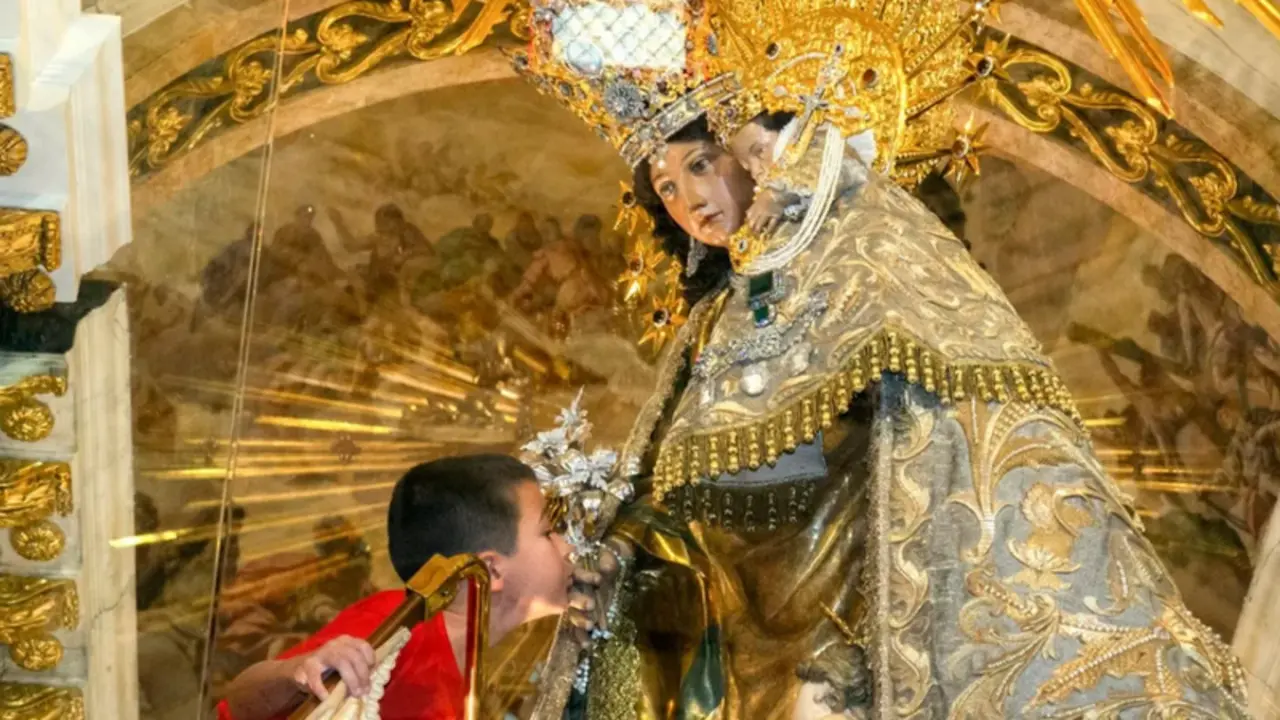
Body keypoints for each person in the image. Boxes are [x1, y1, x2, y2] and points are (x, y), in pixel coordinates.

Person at [516, 0, 1249, 717]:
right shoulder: (707, 327)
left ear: (755, 154)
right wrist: (619, 552)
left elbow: (931, 417)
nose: (690, 201)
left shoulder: (860, 254)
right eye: (668, 189)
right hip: (737, 629)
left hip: (859, 603)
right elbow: (672, 491)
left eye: (702, 164)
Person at [216, 455, 574, 720]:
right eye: (549, 533)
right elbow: (238, 705)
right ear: (491, 569)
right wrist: (298, 673)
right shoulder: (400, 627)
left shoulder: (487, 665)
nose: (568, 546)